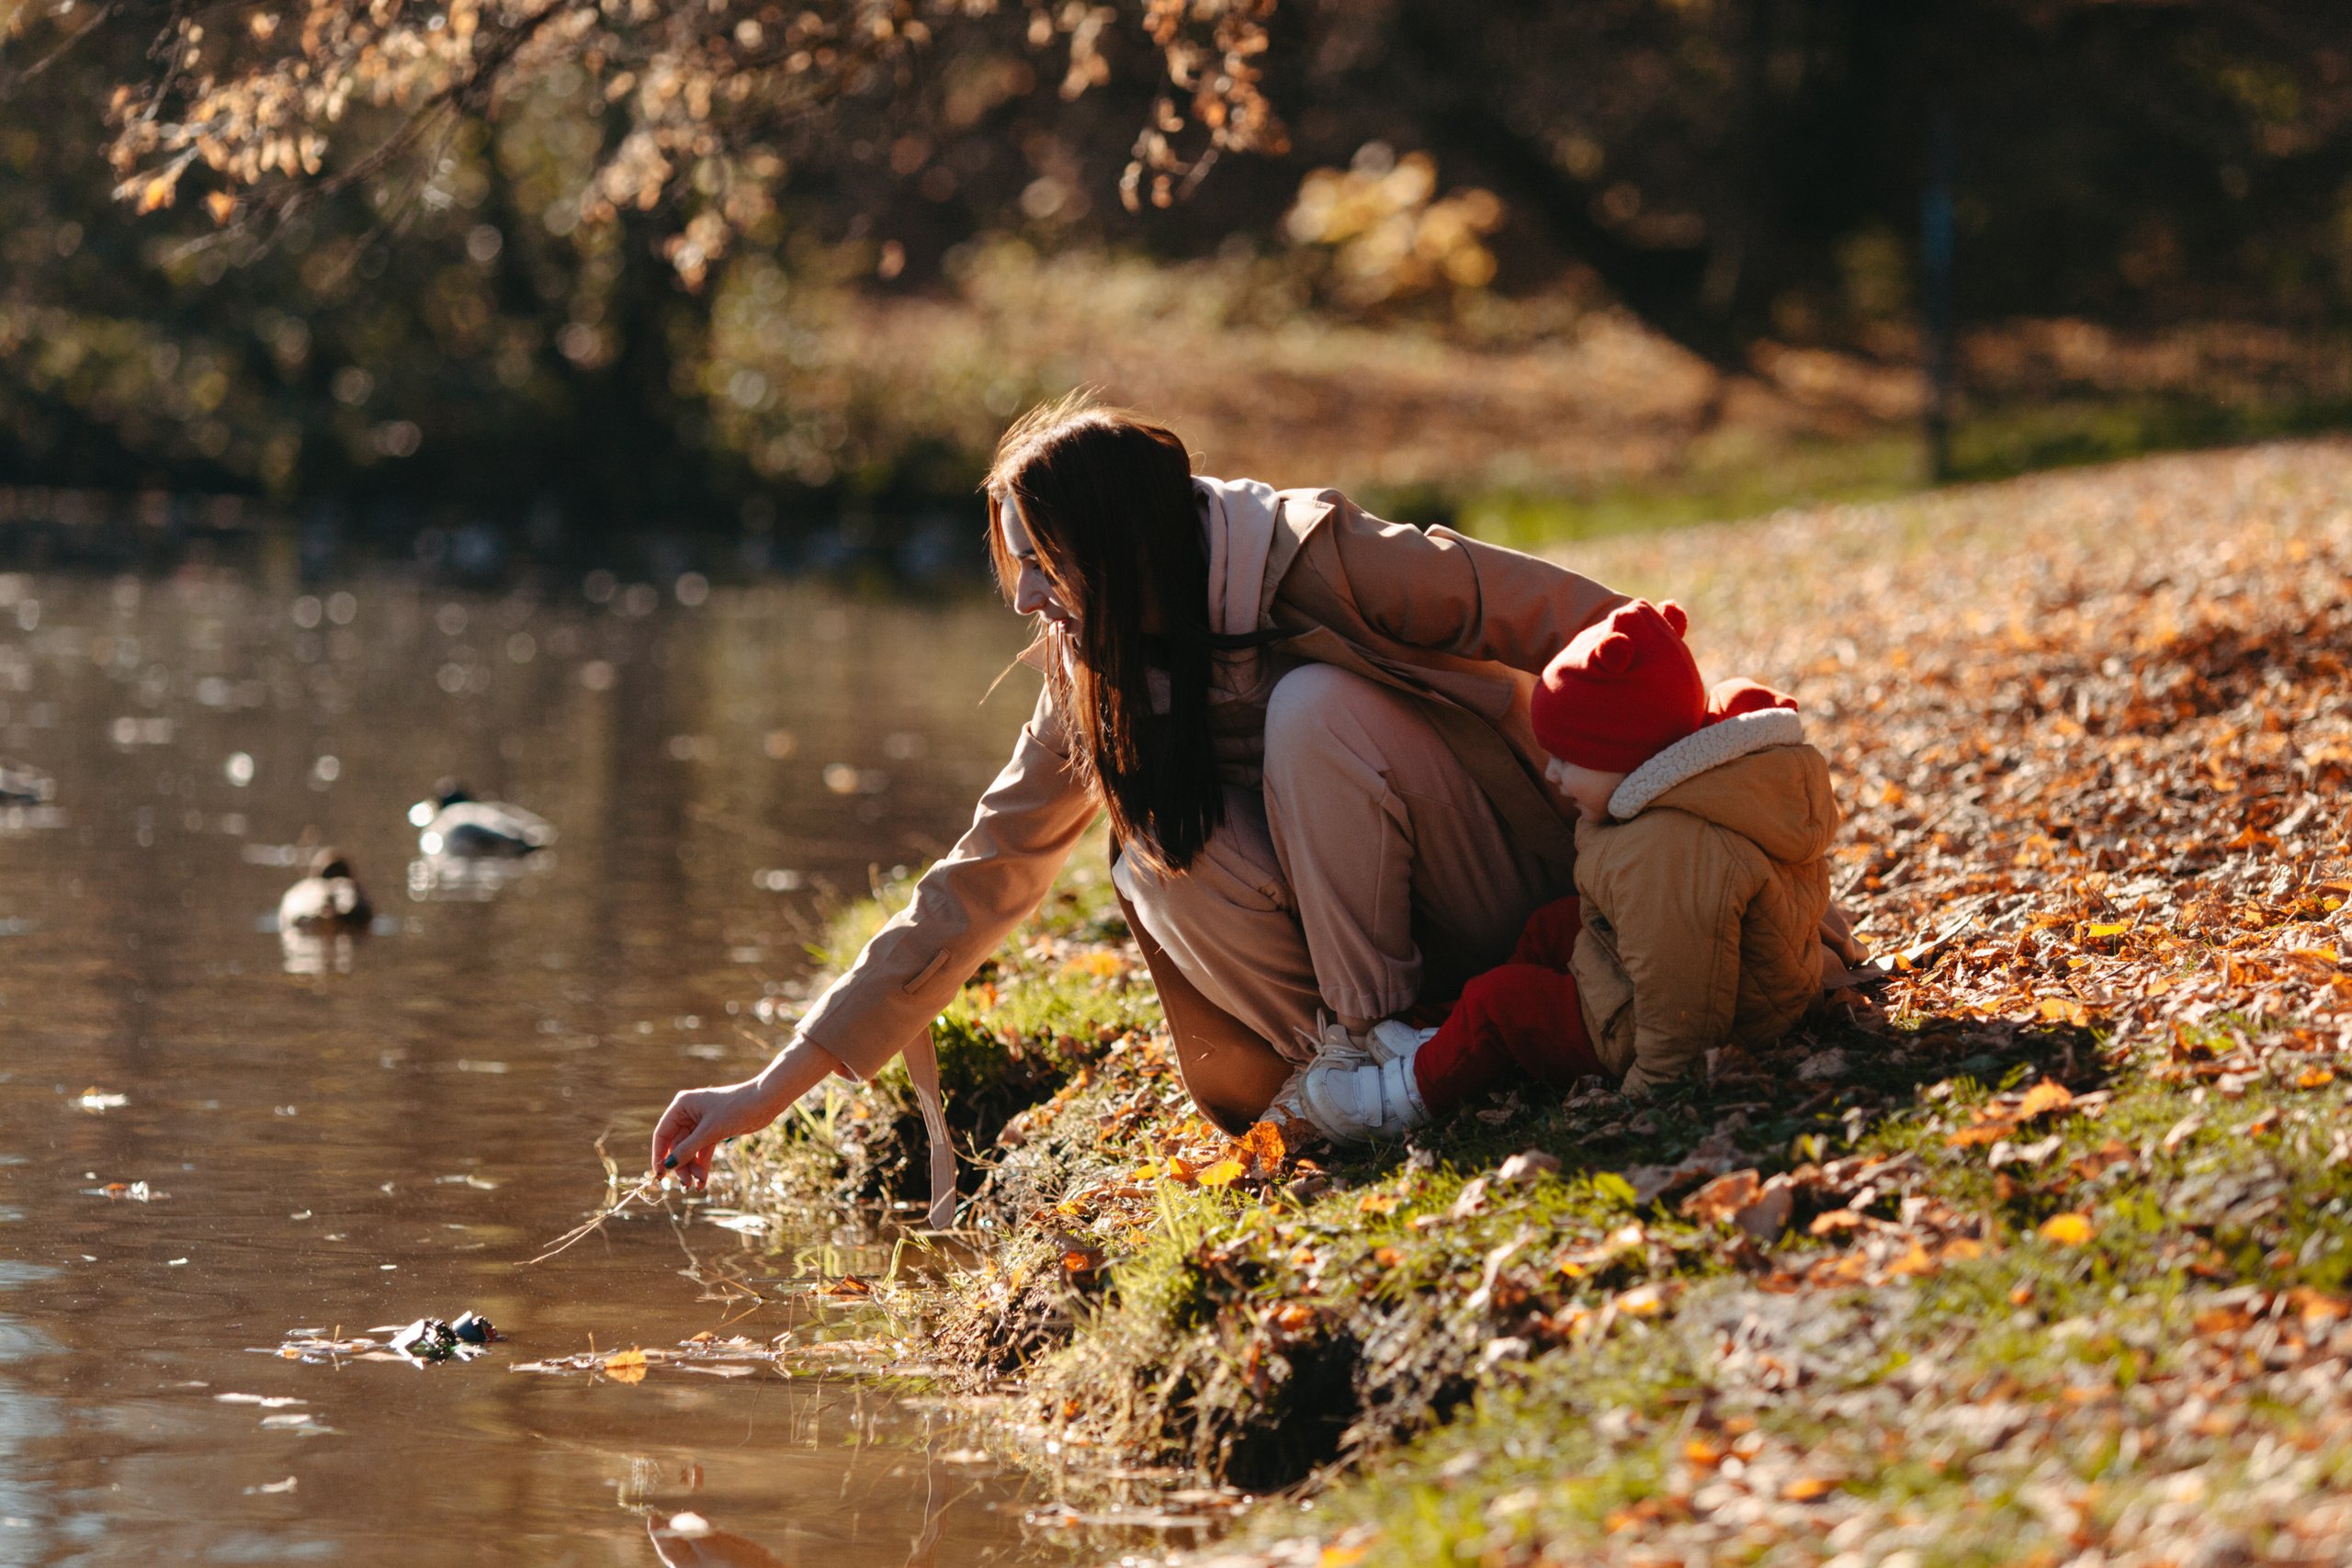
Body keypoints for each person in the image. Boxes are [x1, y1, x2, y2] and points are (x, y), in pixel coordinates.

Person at [648, 394, 1634, 1201]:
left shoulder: (1311, 557)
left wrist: (1690, 793)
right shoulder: (1089, 666)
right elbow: (980, 879)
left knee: (1311, 708)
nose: (1029, 598)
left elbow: (1584, 620)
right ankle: (1376, 1066)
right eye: (1016, 565)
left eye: (1046, 564)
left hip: (1498, 885)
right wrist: (767, 1089)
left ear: (1121, 546)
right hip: (1366, 982)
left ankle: (1384, 1050)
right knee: (1156, 843)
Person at [1279, 597, 1853, 1143]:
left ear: (1625, 755)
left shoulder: (1670, 850)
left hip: (1709, 1023)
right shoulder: (1667, 797)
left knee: (1501, 1004)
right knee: (1555, 926)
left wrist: (1659, 1089)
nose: (1552, 776)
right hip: (1680, 987)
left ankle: (1400, 1096)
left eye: (1567, 760)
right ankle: (1445, 1042)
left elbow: (1683, 994)